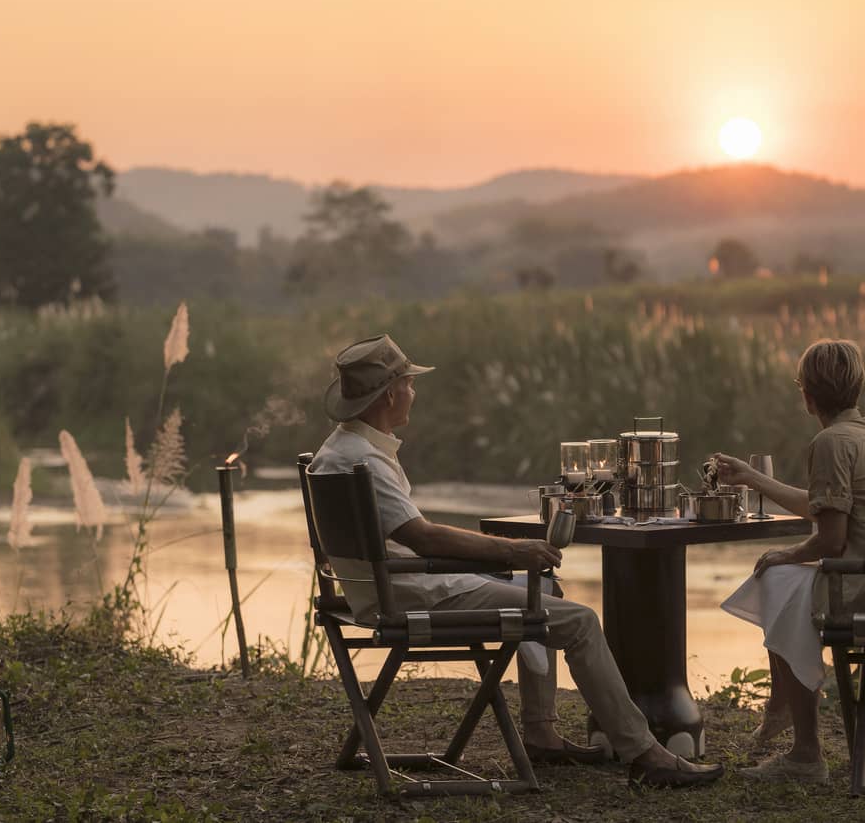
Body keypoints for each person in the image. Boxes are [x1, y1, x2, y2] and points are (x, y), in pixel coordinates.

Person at [309, 334, 723, 788]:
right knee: (580, 621)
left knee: (543, 589)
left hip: (377, 590)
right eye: (409, 383)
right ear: (390, 393)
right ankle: (646, 753)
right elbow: (423, 538)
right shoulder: (363, 461)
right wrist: (512, 550)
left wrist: (505, 558)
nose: (413, 392)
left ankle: (542, 734)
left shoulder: (336, 451)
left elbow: (411, 540)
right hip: (409, 596)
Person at [714, 338, 865, 783]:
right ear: (858, 388)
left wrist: (786, 553)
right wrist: (752, 478)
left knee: (781, 581)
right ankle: (782, 707)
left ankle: (804, 750)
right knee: (784, 580)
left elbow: (830, 540)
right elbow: (822, 506)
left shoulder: (830, 442)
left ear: (807, 396)